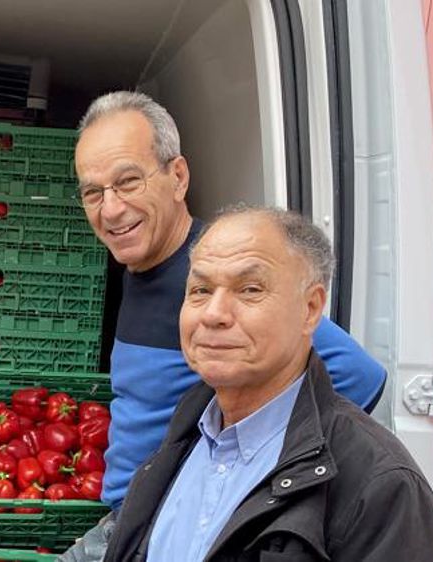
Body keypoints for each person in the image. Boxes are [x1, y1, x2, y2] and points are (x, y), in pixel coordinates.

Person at [59, 91, 386, 561]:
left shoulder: (212, 276)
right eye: (94, 192)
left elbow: (359, 375)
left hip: (175, 522)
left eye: (128, 182)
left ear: (177, 176)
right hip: (130, 518)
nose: (110, 209)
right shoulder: (140, 267)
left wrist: (245, 480)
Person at [103, 206, 433, 561]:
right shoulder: (183, 435)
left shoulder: (381, 485)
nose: (213, 313)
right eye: (200, 289)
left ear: (310, 309)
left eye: (249, 289)